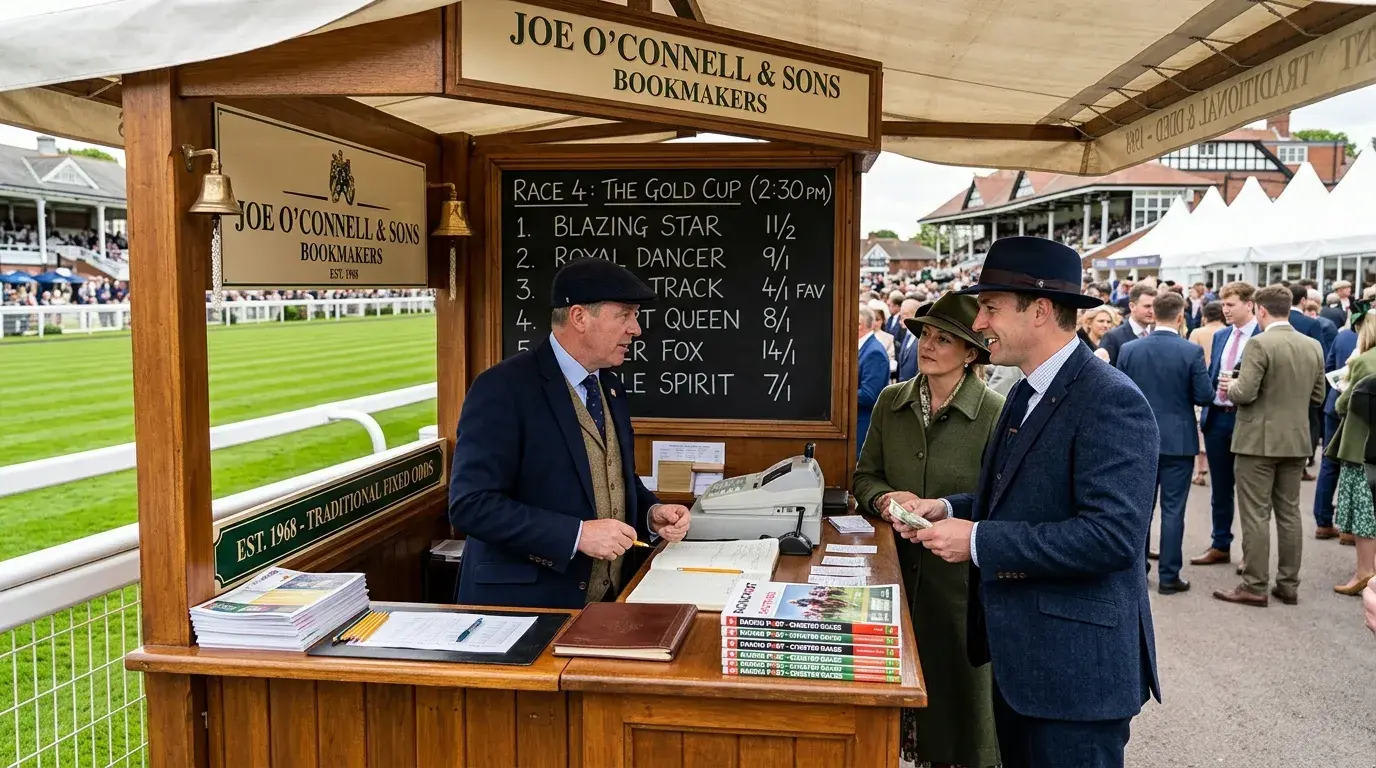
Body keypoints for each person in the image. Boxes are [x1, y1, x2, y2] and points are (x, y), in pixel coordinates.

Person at [901, 237, 1160, 768]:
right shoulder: (1024, 389)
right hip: (1026, 663)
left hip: (1075, 680)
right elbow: (1018, 498)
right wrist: (949, 509)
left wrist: (976, 540)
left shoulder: (1110, 398)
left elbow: (1112, 538)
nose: (978, 324)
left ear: (1040, 311)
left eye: (991, 308)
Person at [448, 258, 691, 609]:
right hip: (523, 610)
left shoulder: (608, 386)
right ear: (579, 317)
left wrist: (651, 513)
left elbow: (612, 480)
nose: (635, 329)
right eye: (625, 315)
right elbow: (470, 506)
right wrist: (577, 535)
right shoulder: (502, 388)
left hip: (605, 606)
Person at [853, 293, 1003, 768]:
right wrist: (882, 498)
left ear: (971, 353)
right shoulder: (890, 400)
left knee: (959, 712)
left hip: (959, 585)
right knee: (890, 712)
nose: (929, 345)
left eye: (945, 338)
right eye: (925, 335)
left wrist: (944, 511)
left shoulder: (997, 413)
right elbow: (863, 477)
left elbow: (1004, 502)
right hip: (893, 575)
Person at [1214, 285, 1326, 607]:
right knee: (1289, 513)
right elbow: (1317, 397)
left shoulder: (1259, 343)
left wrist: (1231, 385)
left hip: (1256, 442)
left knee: (1255, 514)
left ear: (1261, 310)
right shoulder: (1312, 345)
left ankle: (1255, 584)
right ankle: (1288, 584)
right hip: (1295, 439)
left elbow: (1244, 393)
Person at [1116, 292, 1214, 595]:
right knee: (1173, 511)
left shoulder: (1130, 349)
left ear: (1153, 314)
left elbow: (1118, 392)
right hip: (1178, 440)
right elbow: (1204, 395)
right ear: (1181, 315)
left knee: (1139, 510)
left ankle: (1137, 572)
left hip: (1137, 439)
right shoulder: (1189, 352)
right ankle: (1169, 576)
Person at [1191, 282, 1261, 568]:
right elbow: (1211, 373)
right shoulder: (1221, 336)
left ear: (1250, 304)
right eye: (1223, 304)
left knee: (1250, 492)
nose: (1225, 309)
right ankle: (1221, 544)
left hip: (1247, 419)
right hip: (1218, 418)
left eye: (1231, 304)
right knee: (1220, 490)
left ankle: (1250, 553)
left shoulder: (1263, 336)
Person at [1328, 303, 1376, 596]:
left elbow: (1344, 405)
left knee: (1363, 514)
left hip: (1362, 445)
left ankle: (1364, 571)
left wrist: (1343, 387)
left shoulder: (1364, 362)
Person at [1315, 311, 1360, 539]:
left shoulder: (1343, 336)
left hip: (1335, 405)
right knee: (1356, 467)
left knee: (1329, 461)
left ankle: (1323, 521)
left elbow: (1329, 367)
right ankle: (1349, 528)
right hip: (1360, 409)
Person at [858, 304, 890, 458]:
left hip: (862, 425)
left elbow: (869, 395)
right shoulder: (864, 347)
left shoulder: (874, 352)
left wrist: (837, 394)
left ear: (859, 325)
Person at [1098, 282, 1156, 366]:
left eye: (1154, 306)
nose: (1151, 311)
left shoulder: (1156, 333)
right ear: (1132, 306)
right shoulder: (1113, 337)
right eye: (1147, 306)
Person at [895, 298, 921, 382]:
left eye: (905, 314)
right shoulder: (907, 334)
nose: (901, 317)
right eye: (901, 314)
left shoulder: (921, 339)